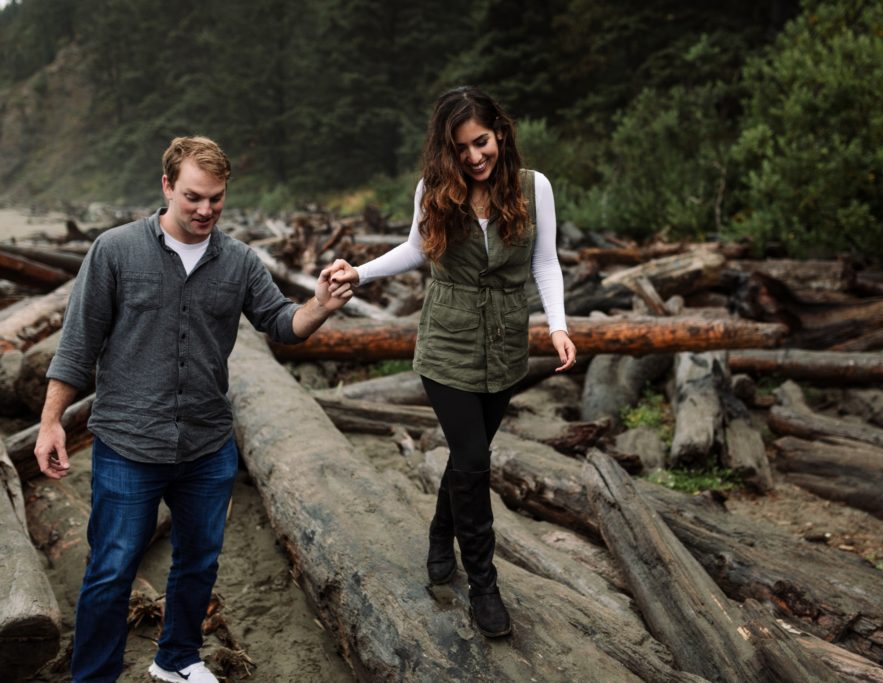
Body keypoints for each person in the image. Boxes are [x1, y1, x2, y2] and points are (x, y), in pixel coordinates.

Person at [33, 136, 354, 683]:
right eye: (193, 197)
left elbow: (282, 323)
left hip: (207, 445)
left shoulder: (239, 262)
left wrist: (320, 305)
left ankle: (177, 658)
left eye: (216, 199)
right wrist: (49, 423)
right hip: (128, 443)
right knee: (111, 571)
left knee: (199, 563)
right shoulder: (114, 250)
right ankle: (93, 676)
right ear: (166, 187)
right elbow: (78, 345)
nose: (205, 210)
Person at [327, 86, 577, 638]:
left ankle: (441, 534)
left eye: (481, 142)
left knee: (470, 456)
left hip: (506, 343)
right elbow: (416, 249)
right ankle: (483, 585)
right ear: (448, 148)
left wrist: (557, 326)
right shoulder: (434, 189)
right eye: (461, 147)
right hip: (446, 343)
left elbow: (547, 262)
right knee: (472, 458)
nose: (474, 157)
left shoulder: (535, 188)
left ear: (501, 132)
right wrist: (359, 273)